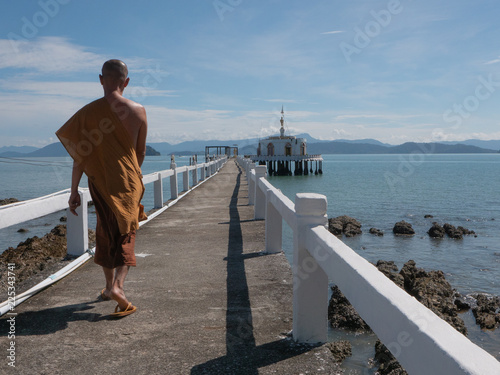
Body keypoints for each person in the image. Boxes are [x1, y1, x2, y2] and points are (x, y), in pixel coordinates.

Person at [56, 59, 148, 318]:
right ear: (126, 82)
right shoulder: (139, 111)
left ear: (100, 79)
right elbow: (139, 153)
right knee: (126, 232)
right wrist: (129, 174)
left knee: (106, 230)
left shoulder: (88, 113)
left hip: (99, 182)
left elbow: (80, 156)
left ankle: (110, 286)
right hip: (129, 182)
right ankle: (117, 288)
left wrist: (74, 191)